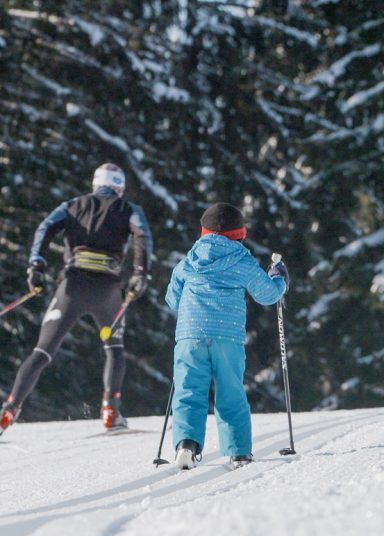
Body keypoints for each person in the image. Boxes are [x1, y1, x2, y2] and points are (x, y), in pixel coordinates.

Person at [0, 163, 153, 435]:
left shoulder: (71, 205)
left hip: (71, 287)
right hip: (107, 290)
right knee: (114, 348)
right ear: (119, 187)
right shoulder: (129, 209)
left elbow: (45, 228)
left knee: (42, 351)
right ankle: (110, 410)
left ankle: (10, 409)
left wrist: (36, 266)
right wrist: (141, 273)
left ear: (95, 184)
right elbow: (142, 235)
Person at [165, 202, 288, 470]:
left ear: (203, 232)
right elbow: (267, 294)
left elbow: (172, 300)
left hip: (190, 335)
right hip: (226, 336)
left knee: (188, 390)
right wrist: (279, 278)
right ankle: (239, 451)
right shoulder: (241, 259)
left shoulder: (189, 261)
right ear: (239, 233)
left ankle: (186, 445)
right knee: (230, 391)